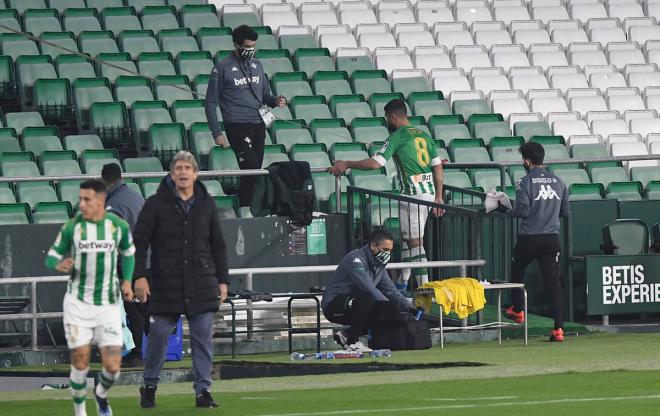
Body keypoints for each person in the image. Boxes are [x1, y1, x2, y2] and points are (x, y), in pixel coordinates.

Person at [132, 151, 229, 408]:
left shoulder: (206, 204)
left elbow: (218, 245)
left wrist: (223, 280)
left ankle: (203, 391)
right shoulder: (154, 204)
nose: (183, 172)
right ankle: (149, 385)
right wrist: (139, 275)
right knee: (158, 337)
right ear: (172, 174)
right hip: (166, 283)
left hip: (202, 282)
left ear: (195, 174)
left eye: (188, 168)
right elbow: (139, 242)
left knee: (202, 340)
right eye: (179, 168)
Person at [329, 99, 444, 290]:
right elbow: (438, 166)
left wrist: (347, 163)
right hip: (429, 193)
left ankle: (426, 290)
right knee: (410, 239)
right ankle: (402, 283)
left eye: (386, 118)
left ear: (393, 116)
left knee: (415, 243)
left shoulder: (398, 136)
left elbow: (376, 163)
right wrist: (439, 196)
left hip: (412, 194)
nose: (386, 122)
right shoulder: (424, 136)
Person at [45, 180, 135, 416]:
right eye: (81, 198)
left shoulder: (118, 226)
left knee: (113, 368)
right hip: (78, 305)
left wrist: (127, 281)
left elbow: (128, 254)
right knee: (81, 360)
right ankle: (80, 410)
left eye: (87, 199)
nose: (81, 204)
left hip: (108, 305)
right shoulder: (72, 227)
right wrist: (58, 263)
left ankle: (102, 394)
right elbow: (51, 256)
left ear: (101, 201)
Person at [205, 24, 288, 207]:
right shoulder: (222, 67)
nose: (251, 50)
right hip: (236, 125)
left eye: (253, 46)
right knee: (250, 167)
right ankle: (245, 208)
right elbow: (210, 102)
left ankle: (247, 209)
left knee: (254, 171)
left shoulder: (257, 64)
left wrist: (276, 101)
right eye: (247, 46)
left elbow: (265, 95)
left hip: (258, 124)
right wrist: (217, 132)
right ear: (237, 45)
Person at [498, 142, 570, 342]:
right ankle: (559, 329)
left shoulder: (524, 182)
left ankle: (518, 309)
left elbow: (523, 212)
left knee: (517, 267)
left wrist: (505, 210)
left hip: (530, 237)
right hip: (551, 239)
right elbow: (565, 212)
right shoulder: (560, 182)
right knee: (554, 284)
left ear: (527, 161)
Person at [322, 228, 423, 352]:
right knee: (370, 300)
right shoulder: (355, 259)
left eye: (390, 251)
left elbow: (391, 291)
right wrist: (390, 308)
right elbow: (369, 289)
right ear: (373, 246)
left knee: (379, 306)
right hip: (333, 305)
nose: (388, 255)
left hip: (356, 304)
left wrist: (409, 308)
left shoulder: (379, 266)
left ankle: (346, 335)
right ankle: (352, 343)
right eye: (385, 250)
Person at [101, 163, 147, 367]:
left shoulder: (113, 205)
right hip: (148, 259)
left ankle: (137, 353)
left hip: (131, 263)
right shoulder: (135, 196)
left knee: (133, 310)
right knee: (144, 309)